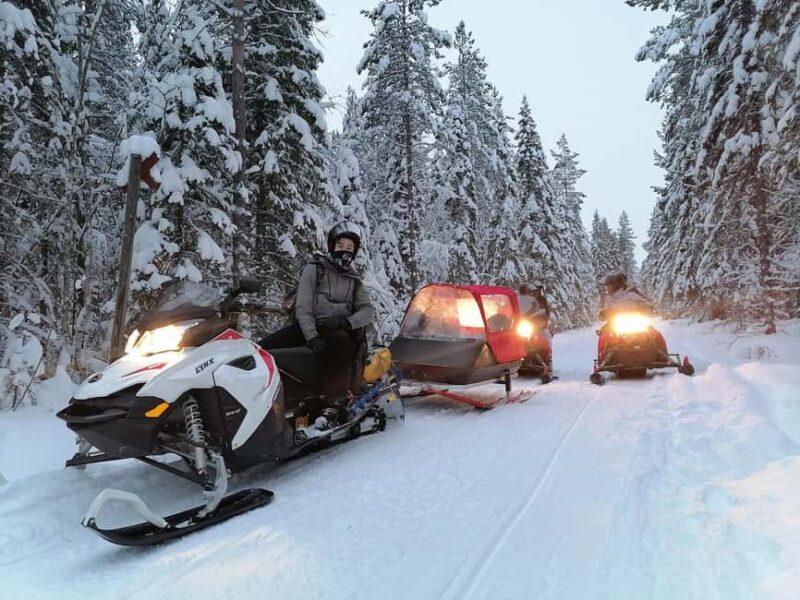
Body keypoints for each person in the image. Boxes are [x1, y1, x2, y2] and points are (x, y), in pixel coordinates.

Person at [260, 222, 374, 400]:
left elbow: (368, 311)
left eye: (350, 248)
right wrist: (312, 337)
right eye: (340, 245)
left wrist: (346, 322)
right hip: (309, 327)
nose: (344, 251)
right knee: (262, 348)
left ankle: (336, 400)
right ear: (332, 246)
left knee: (342, 344)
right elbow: (303, 308)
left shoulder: (354, 279)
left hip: (338, 330)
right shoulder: (315, 269)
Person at [596, 271, 666, 360]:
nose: (608, 288)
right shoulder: (608, 298)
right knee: (604, 336)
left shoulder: (632, 293)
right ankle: (602, 359)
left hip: (636, 321)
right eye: (608, 286)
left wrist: (649, 308)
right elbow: (603, 309)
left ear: (617, 284)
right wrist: (603, 313)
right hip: (616, 323)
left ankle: (663, 355)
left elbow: (647, 302)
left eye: (610, 285)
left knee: (655, 334)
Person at [518, 283, 553, 370]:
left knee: (544, 338)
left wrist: (543, 320)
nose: (533, 294)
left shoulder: (541, 301)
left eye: (534, 292)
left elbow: (546, 312)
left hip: (539, 325)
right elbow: (517, 311)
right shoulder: (521, 301)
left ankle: (547, 361)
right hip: (524, 325)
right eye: (530, 292)